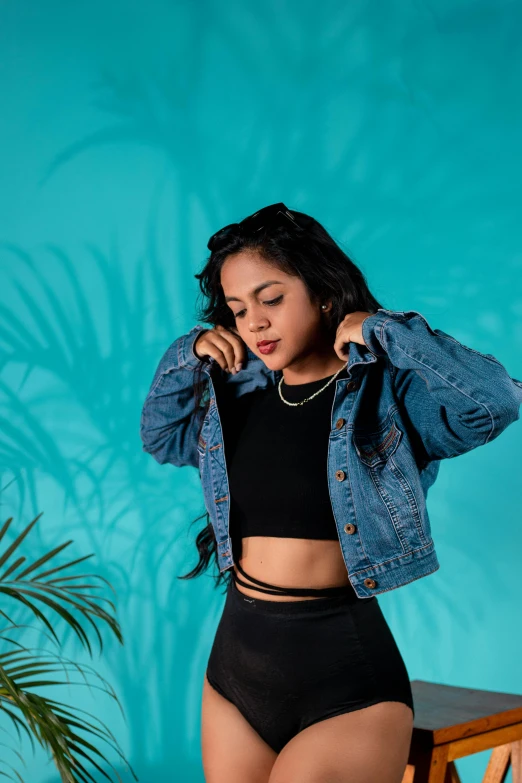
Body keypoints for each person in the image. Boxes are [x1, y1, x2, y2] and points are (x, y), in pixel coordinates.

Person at [140, 203, 522, 783]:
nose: (255, 323)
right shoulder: (235, 400)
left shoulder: (386, 398)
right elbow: (161, 437)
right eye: (239, 309)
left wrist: (382, 330)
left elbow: (495, 400)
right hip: (234, 673)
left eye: (271, 299)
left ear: (321, 293)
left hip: (345, 683)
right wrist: (185, 356)